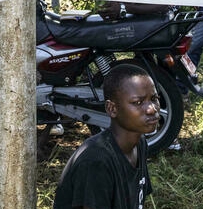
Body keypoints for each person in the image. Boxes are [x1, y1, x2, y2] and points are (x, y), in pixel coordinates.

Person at [53, 63, 157, 209]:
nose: (152, 109)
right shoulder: (96, 161)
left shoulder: (139, 143)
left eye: (154, 99)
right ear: (112, 108)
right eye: (138, 102)